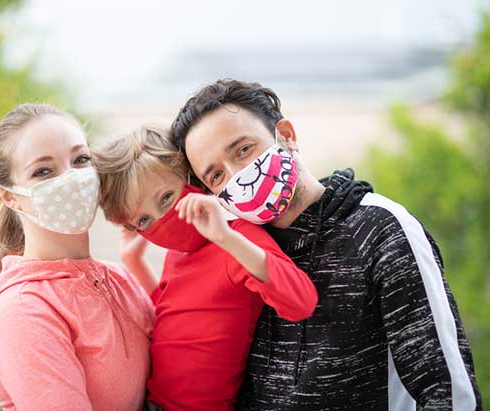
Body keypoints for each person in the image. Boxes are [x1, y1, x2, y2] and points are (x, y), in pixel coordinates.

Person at [170, 79, 482, 410]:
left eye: (243, 150)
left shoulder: (381, 229)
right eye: (216, 176)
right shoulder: (237, 254)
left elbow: (448, 392)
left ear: (286, 135)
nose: (237, 176)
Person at [92, 126, 317, 411]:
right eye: (144, 220)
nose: (162, 220)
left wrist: (225, 237)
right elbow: (171, 319)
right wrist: (135, 263)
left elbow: (301, 301)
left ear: (193, 182)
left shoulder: (237, 238)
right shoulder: (178, 255)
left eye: (166, 198)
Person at [0, 103, 154, 411]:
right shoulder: (22, 309)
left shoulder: (119, 279)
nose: (73, 178)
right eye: (43, 171)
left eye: (81, 160)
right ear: (10, 197)